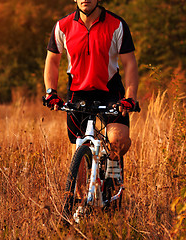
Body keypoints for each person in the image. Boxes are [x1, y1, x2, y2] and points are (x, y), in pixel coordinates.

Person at [43, 0, 140, 179]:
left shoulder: (117, 24)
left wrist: (130, 97)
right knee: (79, 151)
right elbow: (52, 61)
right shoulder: (62, 26)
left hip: (110, 90)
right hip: (77, 91)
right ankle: (80, 205)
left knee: (119, 140)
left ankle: (112, 164)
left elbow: (129, 62)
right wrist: (51, 92)